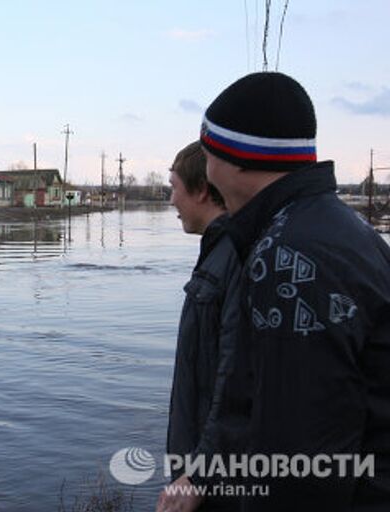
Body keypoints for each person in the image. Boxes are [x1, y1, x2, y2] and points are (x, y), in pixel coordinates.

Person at [196, 72, 390, 510]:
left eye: (210, 157)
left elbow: (299, 459)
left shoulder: (288, 258)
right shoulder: (338, 227)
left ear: (238, 159)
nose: (207, 175)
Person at [157, 142, 242, 512]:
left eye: (174, 187)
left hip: (215, 484)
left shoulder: (234, 257)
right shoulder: (219, 252)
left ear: (202, 190)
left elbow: (235, 380)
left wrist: (200, 474)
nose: (172, 200)